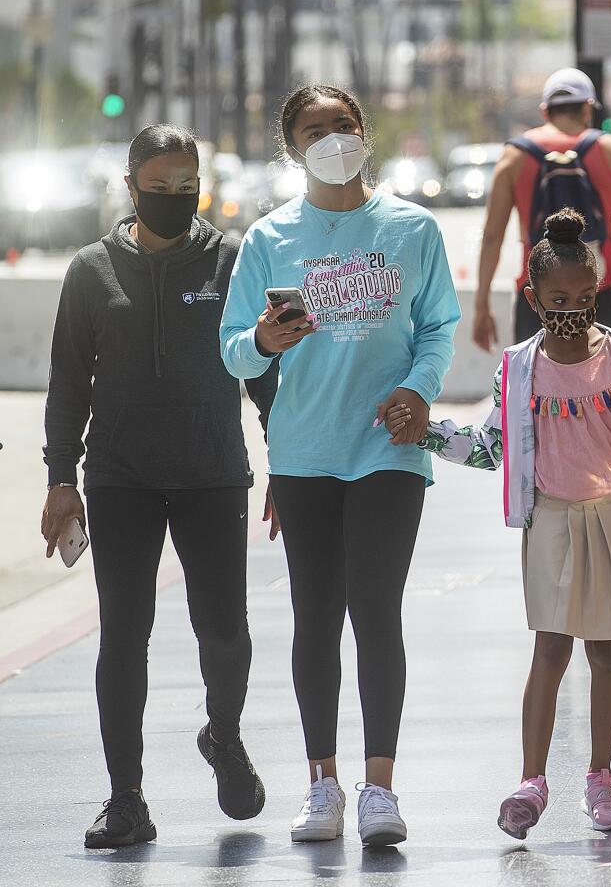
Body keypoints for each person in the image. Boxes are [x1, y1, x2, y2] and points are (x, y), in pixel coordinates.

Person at [220, 84, 461, 847]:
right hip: (305, 452)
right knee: (316, 615)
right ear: (292, 148)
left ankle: (378, 790)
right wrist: (264, 341)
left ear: (365, 134)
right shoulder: (268, 238)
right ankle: (320, 783)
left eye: (342, 125)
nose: (331, 138)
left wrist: (417, 393)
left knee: (375, 610)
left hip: (388, 448)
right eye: (314, 129)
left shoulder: (411, 228)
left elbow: (439, 329)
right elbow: (231, 350)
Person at [413, 208, 611, 839]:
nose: (573, 309)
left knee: (608, 652)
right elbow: (490, 446)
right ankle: (531, 782)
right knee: (550, 646)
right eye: (559, 299)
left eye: (586, 297)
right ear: (532, 297)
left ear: (600, 294)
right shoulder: (519, 367)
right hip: (553, 522)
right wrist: (424, 429)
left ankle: (600, 777)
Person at [41, 124, 276, 849]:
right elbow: (66, 383)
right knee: (124, 637)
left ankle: (225, 734)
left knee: (225, 629)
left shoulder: (233, 262)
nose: (174, 198)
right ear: (131, 185)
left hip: (211, 472)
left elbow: (264, 370)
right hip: (120, 479)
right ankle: (126, 799)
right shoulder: (90, 270)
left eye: (186, 186)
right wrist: (59, 479)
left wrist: (286, 461)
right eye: (160, 185)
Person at [472, 68, 611, 350]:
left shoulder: (514, 156)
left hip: (536, 297)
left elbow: (492, 236)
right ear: (587, 109)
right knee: (607, 390)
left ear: (545, 112)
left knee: (533, 388)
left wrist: (482, 305)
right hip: (600, 294)